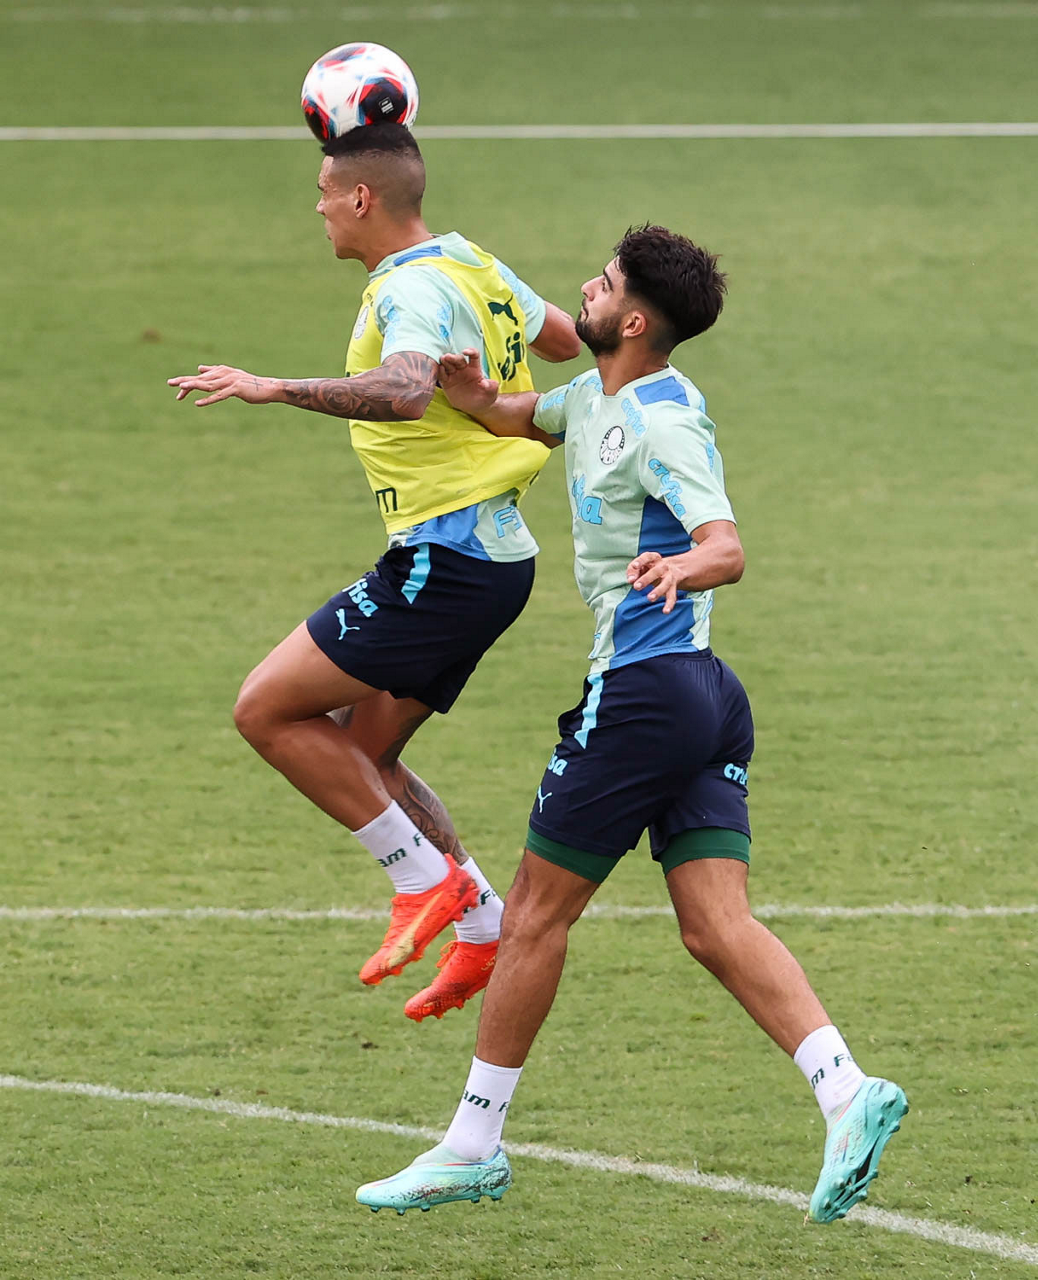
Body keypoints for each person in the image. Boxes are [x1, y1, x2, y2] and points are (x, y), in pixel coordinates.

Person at [355, 225, 908, 1221]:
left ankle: (472, 1145)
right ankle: (847, 1092)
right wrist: (468, 393)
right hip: (702, 698)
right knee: (714, 925)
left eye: (604, 284)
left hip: (644, 694)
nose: (587, 288)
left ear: (636, 321)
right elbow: (522, 414)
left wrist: (682, 564)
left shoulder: (664, 420)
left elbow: (726, 545)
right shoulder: (592, 396)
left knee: (533, 916)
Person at [168, 123, 581, 1021]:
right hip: (494, 558)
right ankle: (481, 924)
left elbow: (404, 391)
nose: (317, 207)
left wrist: (271, 387)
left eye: (325, 192)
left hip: (448, 559)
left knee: (265, 709)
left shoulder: (411, 288)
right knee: (362, 756)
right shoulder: (469, 261)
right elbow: (561, 341)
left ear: (362, 197)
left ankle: (422, 881)